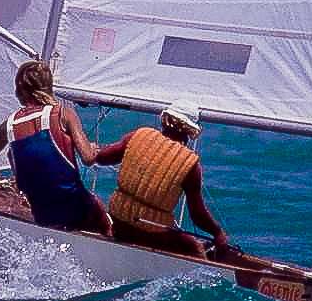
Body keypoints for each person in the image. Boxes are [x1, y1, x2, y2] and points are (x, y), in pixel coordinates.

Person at [0, 59, 111, 235]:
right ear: (48, 87)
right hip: (79, 208)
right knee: (102, 216)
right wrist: (94, 148)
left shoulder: (9, 125)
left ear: (19, 91)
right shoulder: (63, 114)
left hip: (44, 215)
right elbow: (88, 158)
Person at [94, 99, 230, 258]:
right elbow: (197, 214)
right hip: (151, 233)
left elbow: (102, 158)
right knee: (193, 246)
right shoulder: (190, 164)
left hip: (120, 222)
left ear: (165, 119)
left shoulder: (138, 135)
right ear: (190, 131)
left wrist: (96, 148)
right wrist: (218, 233)